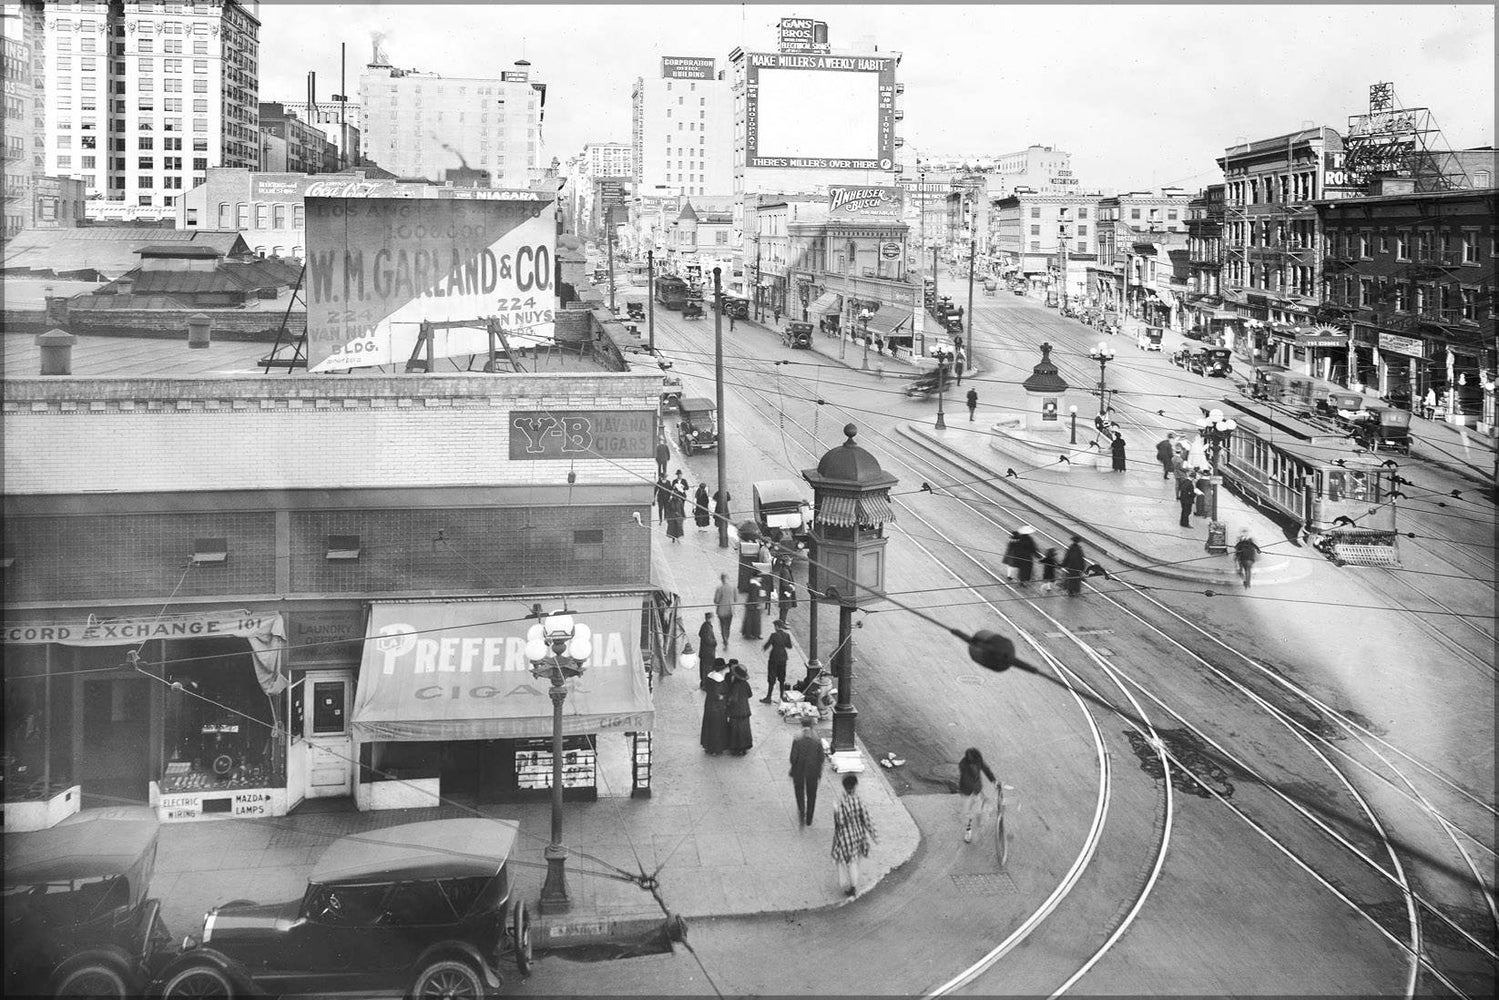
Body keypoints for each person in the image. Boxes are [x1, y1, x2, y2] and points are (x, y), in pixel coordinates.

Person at [831, 773, 877, 898]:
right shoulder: (858, 801)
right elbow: (867, 819)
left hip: (844, 838)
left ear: (844, 787)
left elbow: (840, 821)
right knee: (854, 862)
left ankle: (844, 883)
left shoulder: (841, 803)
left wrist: (836, 810)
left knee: (841, 862)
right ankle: (853, 886)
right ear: (855, 787)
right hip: (858, 836)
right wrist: (874, 835)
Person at [789, 715, 825, 827]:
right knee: (812, 794)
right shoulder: (817, 740)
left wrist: (794, 766)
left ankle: (802, 810)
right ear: (812, 725)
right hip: (813, 771)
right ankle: (809, 817)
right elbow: (822, 757)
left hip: (799, 770)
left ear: (801, 725)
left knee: (799, 791)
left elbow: (793, 758)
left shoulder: (797, 739)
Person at [958, 747, 997, 843]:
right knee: (967, 814)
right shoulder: (963, 765)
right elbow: (967, 780)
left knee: (977, 811)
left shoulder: (978, 760)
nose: (977, 763)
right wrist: (977, 790)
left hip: (976, 790)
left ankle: (981, 816)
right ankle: (968, 831)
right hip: (967, 792)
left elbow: (986, 769)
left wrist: (994, 780)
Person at [699, 659, 729, 755]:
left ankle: (708, 746)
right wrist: (724, 697)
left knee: (709, 724)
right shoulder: (719, 679)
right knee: (717, 726)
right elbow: (719, 695)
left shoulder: (710, 676)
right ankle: (715, 748)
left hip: (709, 703)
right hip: (717, 706)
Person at [724, 662, 754, 756]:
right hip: (745, 708)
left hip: (736, 711)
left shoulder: (736, 685)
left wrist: (727, 702)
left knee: (736, 729)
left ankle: (737, 748)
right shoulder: (746, 684)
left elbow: (734, 699)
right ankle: (745, 746)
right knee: (744, 728)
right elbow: (750, 694)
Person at [761, 619, 793, 703]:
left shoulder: (773, 635)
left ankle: (768, 697)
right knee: (782, 678)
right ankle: (781, 696)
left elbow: (767, 645)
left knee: (771, 677)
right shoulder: (786, 635)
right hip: (783, 658)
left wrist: (764, 648)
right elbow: (789, 646)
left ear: (777, 627)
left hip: (774, 658)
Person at [712, 573, 735, 645]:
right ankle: (727, 637)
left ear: (722, 580)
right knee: (728, 625)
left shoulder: (719, 588)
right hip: (730, 610)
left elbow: (716, 600)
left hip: (721, 611)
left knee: (722, 625)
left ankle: (724, 638)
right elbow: (736, 599)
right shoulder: (733, 587)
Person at [697, 612, 718, 688]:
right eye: (713, 617)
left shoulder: (706, 626)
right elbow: (708, 640)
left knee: (704, 668)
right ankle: (706, 684)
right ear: (710, 618)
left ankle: (704, 683)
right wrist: (714, 642)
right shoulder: (707, 627)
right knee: (707, 669)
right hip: (708, 653)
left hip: (704, 652)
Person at [741, 575, 765, 640]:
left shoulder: (755, 585)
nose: (761, 579)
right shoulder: (754, 585)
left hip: (753, 605)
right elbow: (753, 596)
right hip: (753, 606)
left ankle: (754, 634)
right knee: (753, 621)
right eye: (759, 577)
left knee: (754, 621)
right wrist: (757, 605)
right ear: (756, 578)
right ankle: (752, 634)